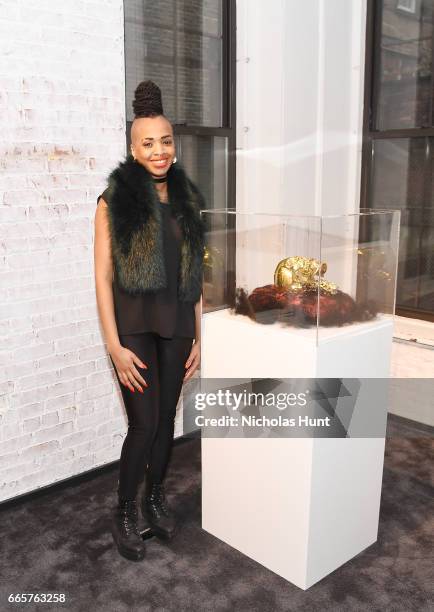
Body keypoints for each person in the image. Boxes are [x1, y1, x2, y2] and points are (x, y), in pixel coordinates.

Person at [94, 80, 205, 561]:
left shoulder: (187, 200)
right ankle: (124, 511)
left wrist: (200, 333)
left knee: (164, 421)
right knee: (142, 425)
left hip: (177, 322)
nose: (158, 151)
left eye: (165, 141)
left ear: (173, 147)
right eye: (147, 143)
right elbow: (101, 279)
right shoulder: (112, 201)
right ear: (132, 148)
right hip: (134, 325)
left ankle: (155, 497)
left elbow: (195, 272)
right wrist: (113, 346)